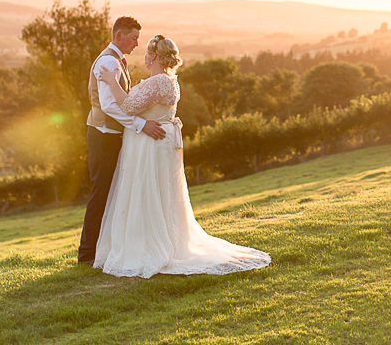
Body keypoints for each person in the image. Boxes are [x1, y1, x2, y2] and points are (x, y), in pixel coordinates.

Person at [94, 35, 271, 277]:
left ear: (154, 56)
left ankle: (150, 243)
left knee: (149, 190)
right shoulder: (171, 80)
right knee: (164, 192)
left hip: (151, 145)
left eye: (147, 53)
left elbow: (127, 106)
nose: (144, 57)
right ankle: (168, 239)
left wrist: (110, 81)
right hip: (164, 142)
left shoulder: (156, 82)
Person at [78, 16, 167, 266]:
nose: (137, 44)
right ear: (119, 36)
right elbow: (108, 106)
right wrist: (140, 125)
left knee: (112, 194)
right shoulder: (109, 60)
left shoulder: (116, 60)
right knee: (101, 194)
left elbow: (121, 100)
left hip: (111, 135)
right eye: (134, 38)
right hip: (103, 136)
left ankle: (104, 251)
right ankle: (86, 256)